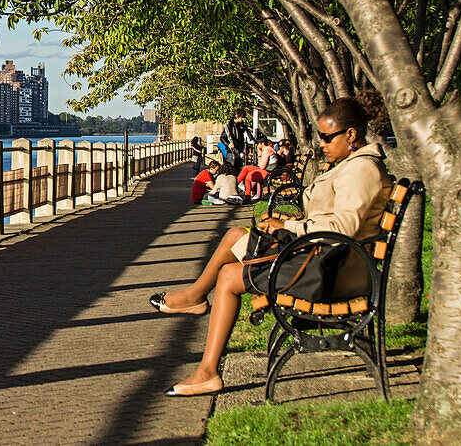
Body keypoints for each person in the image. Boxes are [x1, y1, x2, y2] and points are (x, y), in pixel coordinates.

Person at [148, 97, 392, 397]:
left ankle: (206, 359)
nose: (322, 144)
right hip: (325, 260)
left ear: (351, 135)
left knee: (228, 275)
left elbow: (342, 229)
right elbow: (333, 221)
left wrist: (288, 227)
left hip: (333, 273)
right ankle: (196, 310)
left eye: (328, 137)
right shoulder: (352, 166)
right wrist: (289, 222)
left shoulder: (361, 170)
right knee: (236, 235)